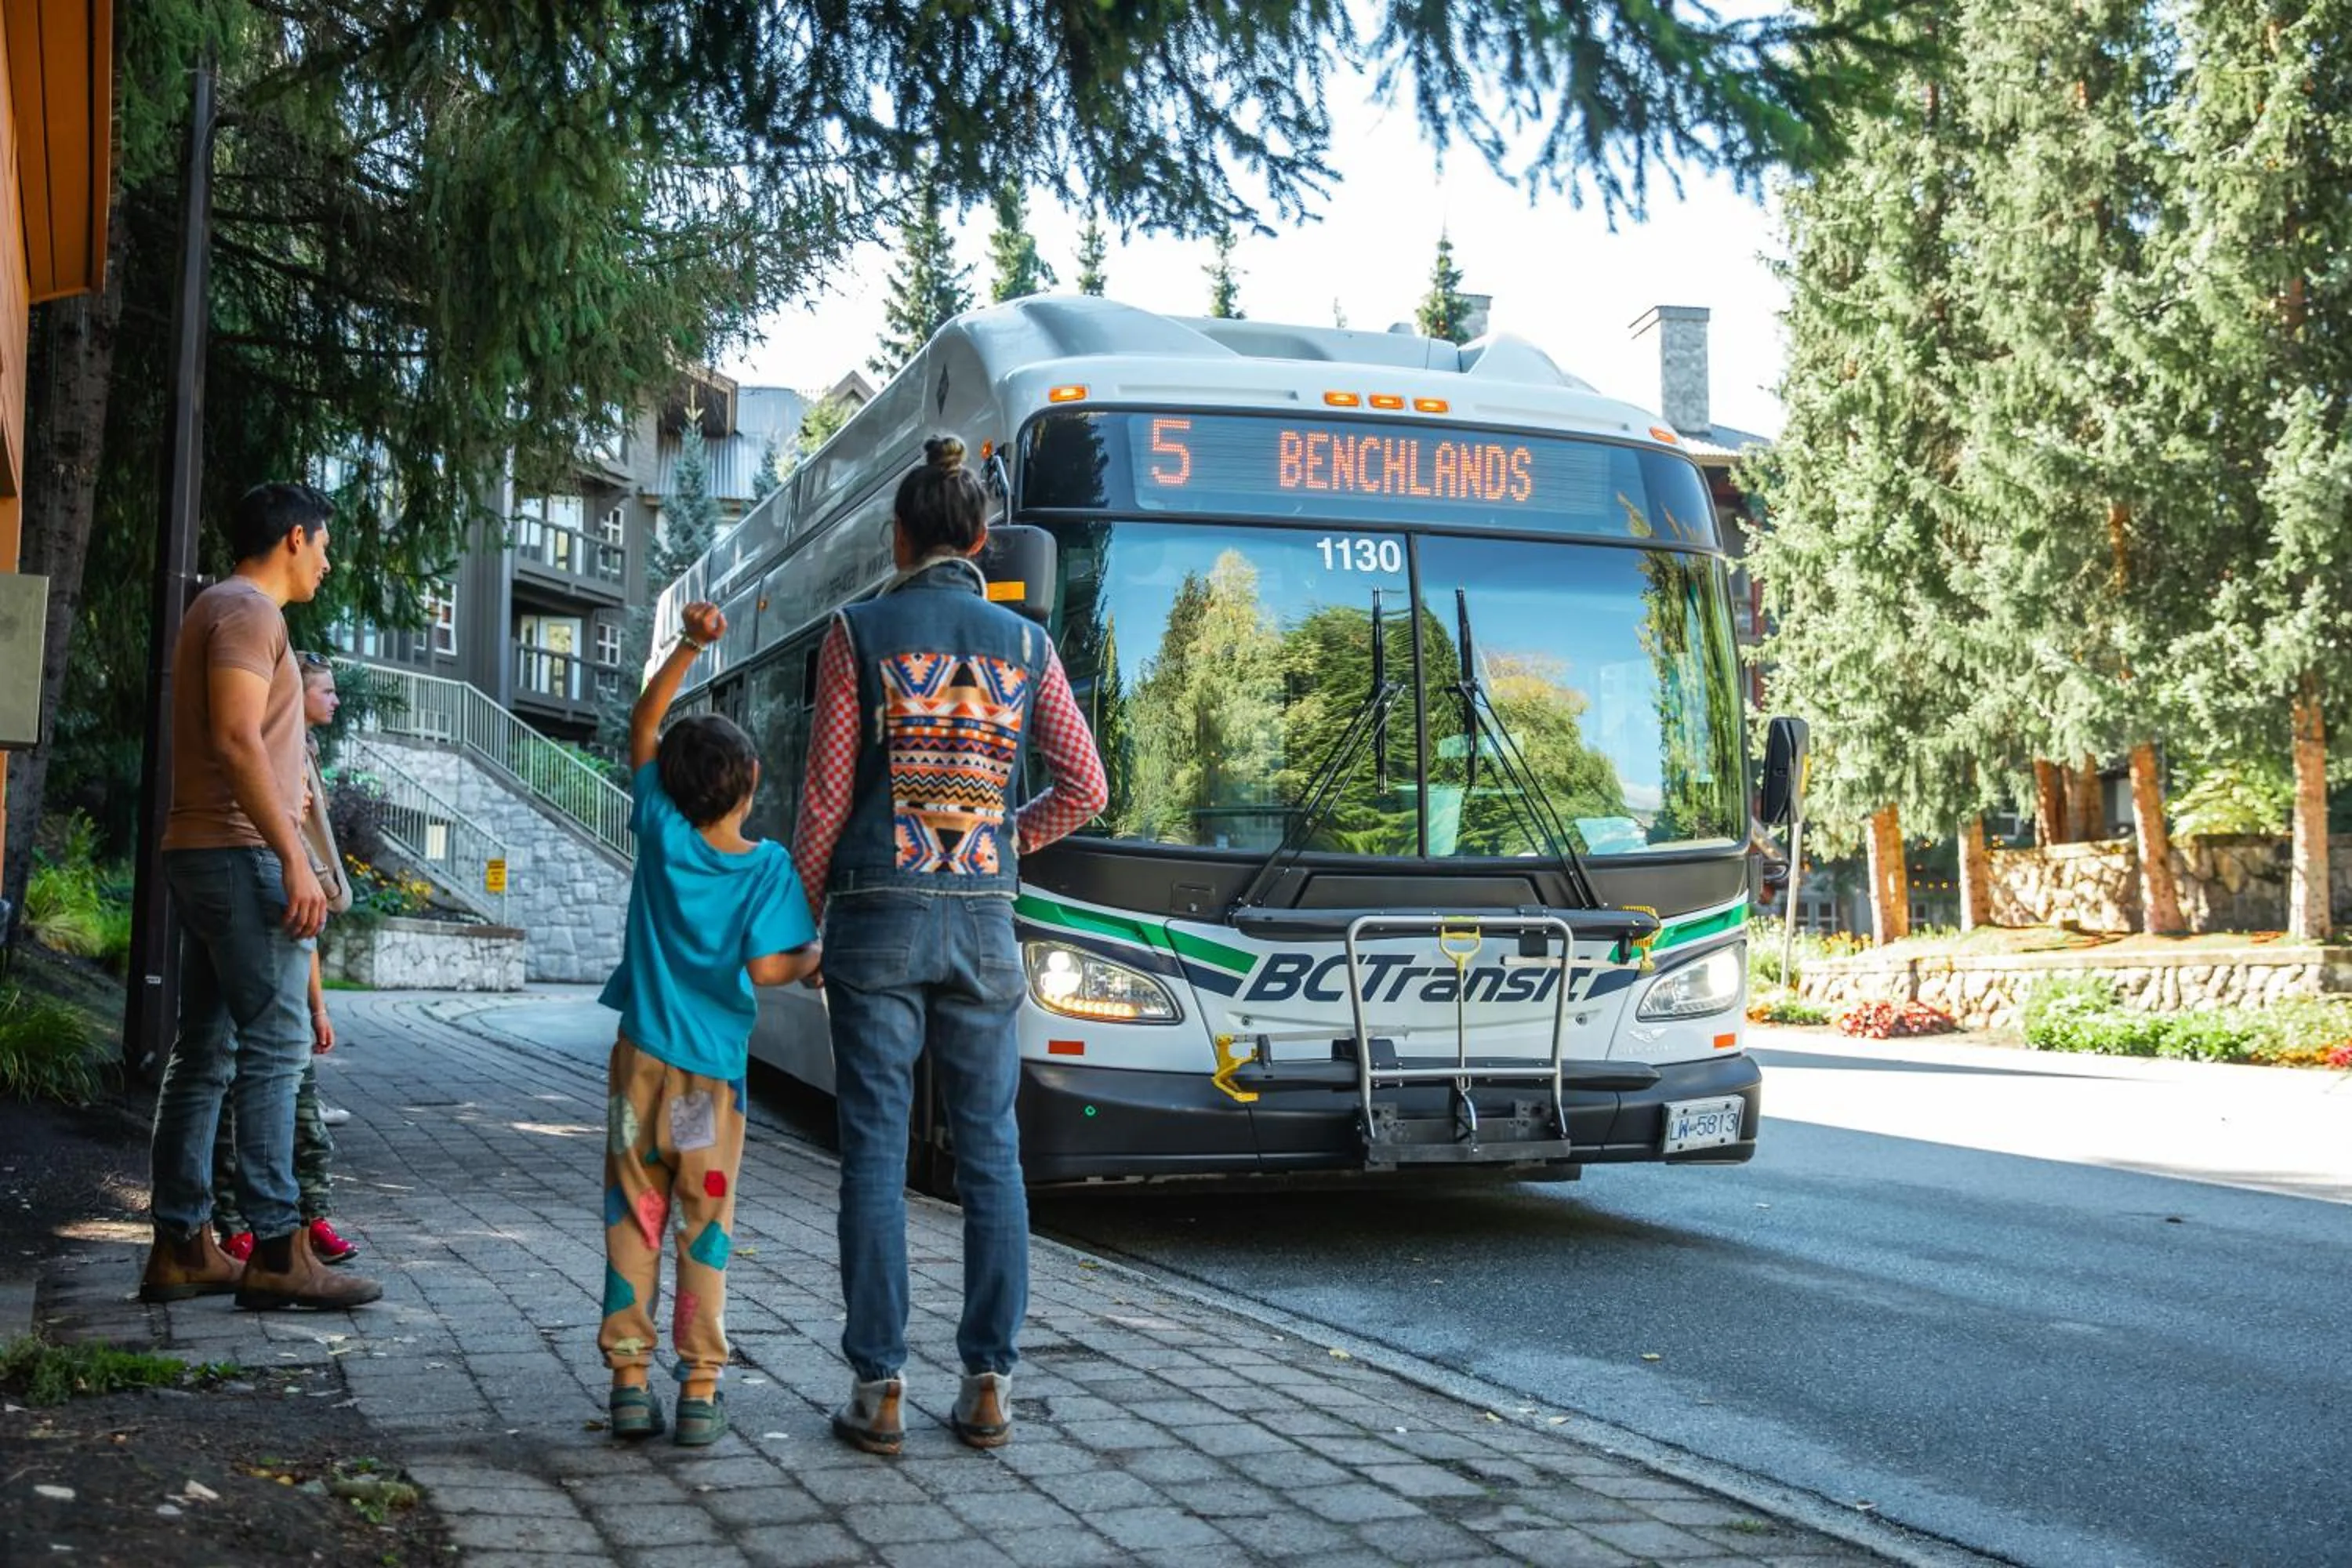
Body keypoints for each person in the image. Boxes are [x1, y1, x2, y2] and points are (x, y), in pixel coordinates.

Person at [794, 434, 1107, 1454]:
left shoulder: (858, 632)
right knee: (991, 1155)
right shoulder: (1027, 647)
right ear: (979, 538)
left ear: (900, 537)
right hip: (981, 915)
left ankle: (878, 1388)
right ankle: (985, 1385)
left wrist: (796, 918)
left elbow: (829, 796)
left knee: (877, 1154)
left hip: (877, 917)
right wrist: (1004, 836)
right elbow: (1089, 788)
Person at [139, 483, 383, 1311]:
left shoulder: (221, 607)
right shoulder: (249, 611)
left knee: (204, 1052)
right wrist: (294, 856)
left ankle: (182, 1246)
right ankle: (279, 1248)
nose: (328, 559)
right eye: (323, 544)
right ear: (294, 536)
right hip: (240, 854)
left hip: (207, 849)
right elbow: (238, 735)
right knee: (275, 1048)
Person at [595, 600, 822, 1449]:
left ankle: (626, 1379)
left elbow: (646, 717)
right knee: (702, 1221)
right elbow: (769, 968)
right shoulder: (765, 867)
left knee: (636, 1210)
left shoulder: (656, 827)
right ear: (752, 784)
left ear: (674, 785)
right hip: (706, 1081)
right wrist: (814, 958)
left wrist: (690, 642)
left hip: (638, 1064)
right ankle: (697, 1389)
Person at [209, 652, 360, 1265]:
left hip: (291, 923)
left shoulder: (302, 752)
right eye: (326, 690)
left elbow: (309, 922)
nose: (336, 700)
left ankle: (304, 1219)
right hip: (257, 893)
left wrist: (319, 1004)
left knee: (295, 1098)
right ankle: (250, 1227)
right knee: (238, 1080)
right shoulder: (274, 747)